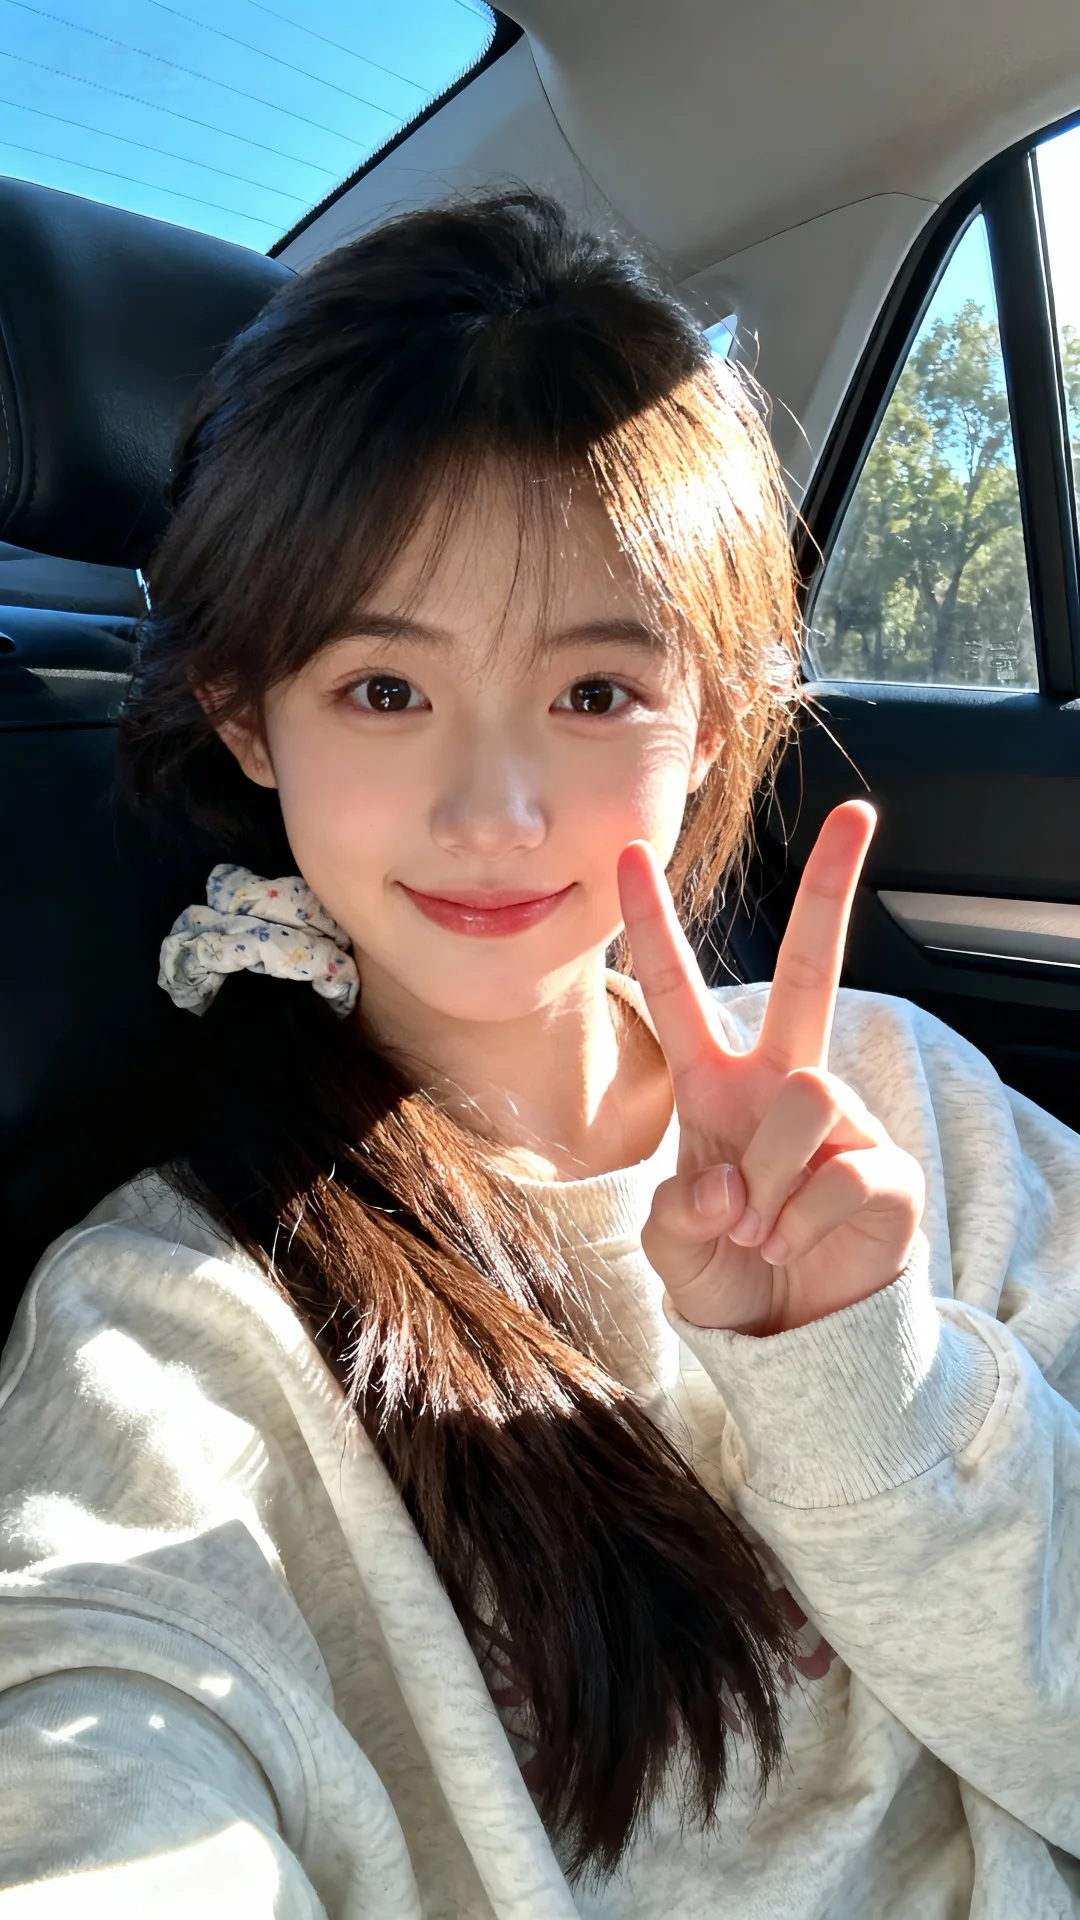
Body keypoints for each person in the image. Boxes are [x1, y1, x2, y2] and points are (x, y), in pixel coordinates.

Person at [0, 190, 1077, 1920]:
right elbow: (97, 1755)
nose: (494, 812)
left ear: (712, 718)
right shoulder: (173, 1318)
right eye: (382, 689)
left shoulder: (906, 1102)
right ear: (244, 712)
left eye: (592, 695)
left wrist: (874, 1392)